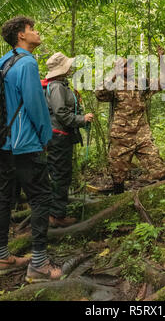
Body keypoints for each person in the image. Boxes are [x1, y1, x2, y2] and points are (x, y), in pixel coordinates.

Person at [0, 16, 62, 282]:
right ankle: (39, 263)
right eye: (32, 29)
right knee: (40, 197)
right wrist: (46, 137)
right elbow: (36, 105)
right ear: (21, 36)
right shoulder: (26, 63)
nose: (37, 32)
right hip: (25, 143)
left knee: (4, 198)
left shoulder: (3, 61)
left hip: (4, 143)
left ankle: (3, 255)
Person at [95, 46, 165, 194]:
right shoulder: (113, 86)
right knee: (118, 174)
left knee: (159, 169)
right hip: (121, 136)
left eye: (130, 65)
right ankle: (118, 200)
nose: (129, 68)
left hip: (142, 135)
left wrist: (161, 59)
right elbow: (99, 94)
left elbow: (164, 82)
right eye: (125, 66)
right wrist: (113, 75)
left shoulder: (140, 83)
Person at [44, 52, 93, 228]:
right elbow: (61, 113)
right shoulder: (56, 87)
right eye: (68, 65)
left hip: (60, 135)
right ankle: (56, 216)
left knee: (61, 173)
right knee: (60, 175)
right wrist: (82, 119)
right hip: (58, 136)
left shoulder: (61, 85)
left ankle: (56, 212)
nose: (71, 68)